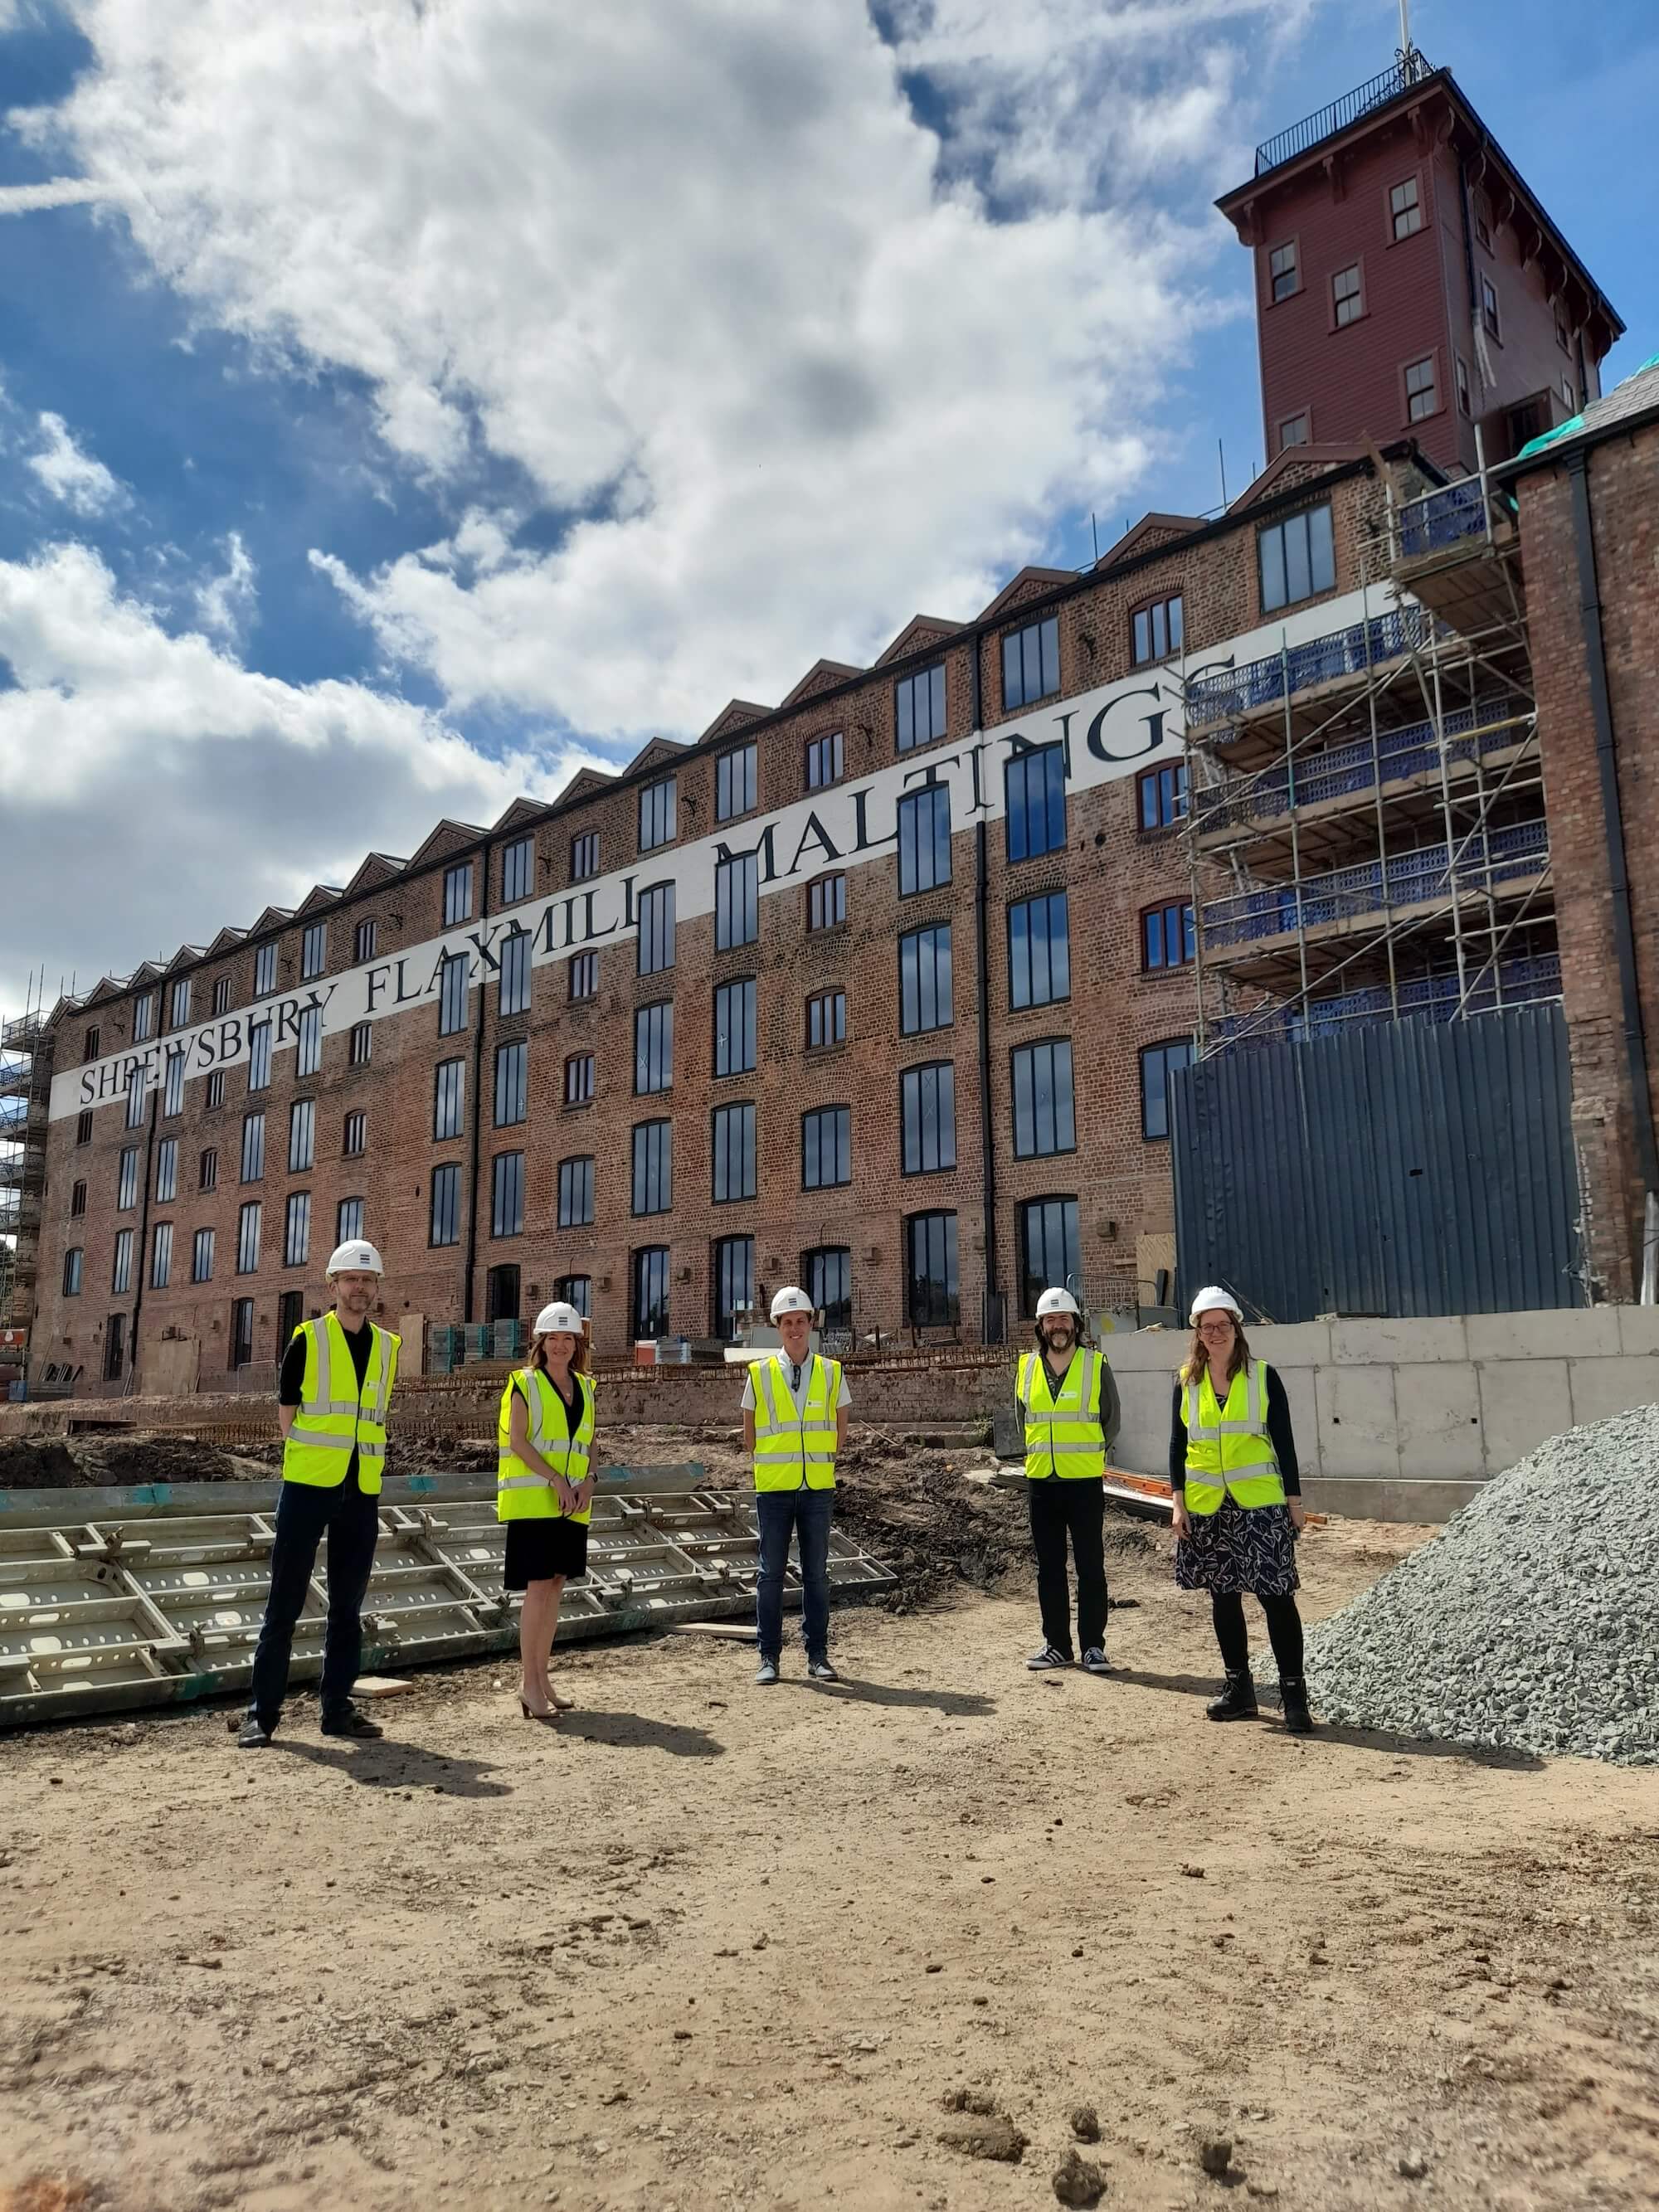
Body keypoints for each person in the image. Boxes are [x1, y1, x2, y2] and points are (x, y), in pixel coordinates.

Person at [238, 1239, 401, 1748]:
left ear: (376, 1288)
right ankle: (262, 1714)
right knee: (283, 1603)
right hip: (309, 1485)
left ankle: (337, 1710)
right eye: (350, 1279)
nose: (359, 1288)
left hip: (362, 1488)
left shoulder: (389, 1347)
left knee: (347, 1609)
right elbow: (287, 1417)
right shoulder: (307, 1339)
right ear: (333, 1286)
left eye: (367, 1280)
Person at [1170, 1285, 1312, 1733]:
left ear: (1236, 1328)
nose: (1215, 1333)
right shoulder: (1186, 1380)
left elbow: (1284, 1442)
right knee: (1223, 1598)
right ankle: (1240, 1692)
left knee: (1276, 1598)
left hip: (1260, 1505)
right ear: (1197, 1332)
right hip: (1208, 1504)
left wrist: (1294, 1501)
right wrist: (1178, 1502)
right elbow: (1177, 1446)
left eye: (1223, 1325)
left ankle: (1294, 1699)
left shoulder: (1264, 1376)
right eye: (1207, 1327)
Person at [742, 1285, 850, 1687]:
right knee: (770, 1574)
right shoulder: (760, 1372)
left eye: (800, 1321)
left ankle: (817, 1655)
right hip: (774, 1488)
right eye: (787, 1322)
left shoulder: (831, 1371)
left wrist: (822, 1453)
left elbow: (842, 1425)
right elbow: (749, 1432)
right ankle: (768, 1656)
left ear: (811, 1323)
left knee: (816, 1574)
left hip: (817, 1486)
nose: (794, 1328)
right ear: (777, 1327)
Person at [496, 1300, 596, 1723]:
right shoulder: (524, 1383)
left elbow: (590, 1442)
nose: (560, 1345)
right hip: (536, 1500)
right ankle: (529, 1683)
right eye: (553, 1338)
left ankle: (542, 1677)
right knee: (539, 1589)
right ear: (540, 1342)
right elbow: (518, 1441)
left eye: (567, 1338)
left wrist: (590, 1481)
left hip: (572, 1503)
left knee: (555, 1588)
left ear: (577, 1343)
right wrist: (557, 1479)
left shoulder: (586, 1387)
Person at [1017, 1286, 1121, 1675]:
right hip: (1042, 1482)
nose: (1057, 1326)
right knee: (1049, 1567)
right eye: (1050, 1319)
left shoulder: (1095, 1365)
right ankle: (1057, 1645)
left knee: (1091, 1565)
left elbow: (1112, 1420)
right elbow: (1021, 1420)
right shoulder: (1026, 1368)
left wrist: (1088, 1454)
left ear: (1075, 1324)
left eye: (1063, 1319)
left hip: (1083, 1482)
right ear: (1041, 1327)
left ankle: (1093, 1646)